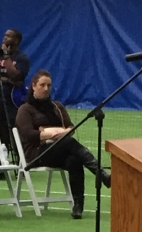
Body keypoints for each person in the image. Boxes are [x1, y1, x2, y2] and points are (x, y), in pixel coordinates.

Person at [13, 70, 109, 219]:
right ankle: (100, 173)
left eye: (49, 85)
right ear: (33, 86)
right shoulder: (24, 109)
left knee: (74, 160)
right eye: (42, 85)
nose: (46, 89)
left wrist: (61, 133)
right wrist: (50, 134)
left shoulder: (57, 106)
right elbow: (28, 134)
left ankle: (78, 206)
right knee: (69, 142)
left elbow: (70, 127)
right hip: (36, 153)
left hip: (58, 150)